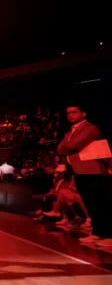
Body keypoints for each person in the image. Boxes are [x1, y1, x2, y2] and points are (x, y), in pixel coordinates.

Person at [57, 105, 111, 246]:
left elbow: (68, 147)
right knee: (91, 203)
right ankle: (98, 233)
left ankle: (109, 235)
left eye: (74, 112)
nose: (70, 115)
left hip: (93, 170)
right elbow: (59, 149)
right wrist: (68, 144)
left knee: (101, 203)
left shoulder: (90, 128)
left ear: (83, 114)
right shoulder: (70, 131)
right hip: (80, 170)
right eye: (68, 113)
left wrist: (68, 144)